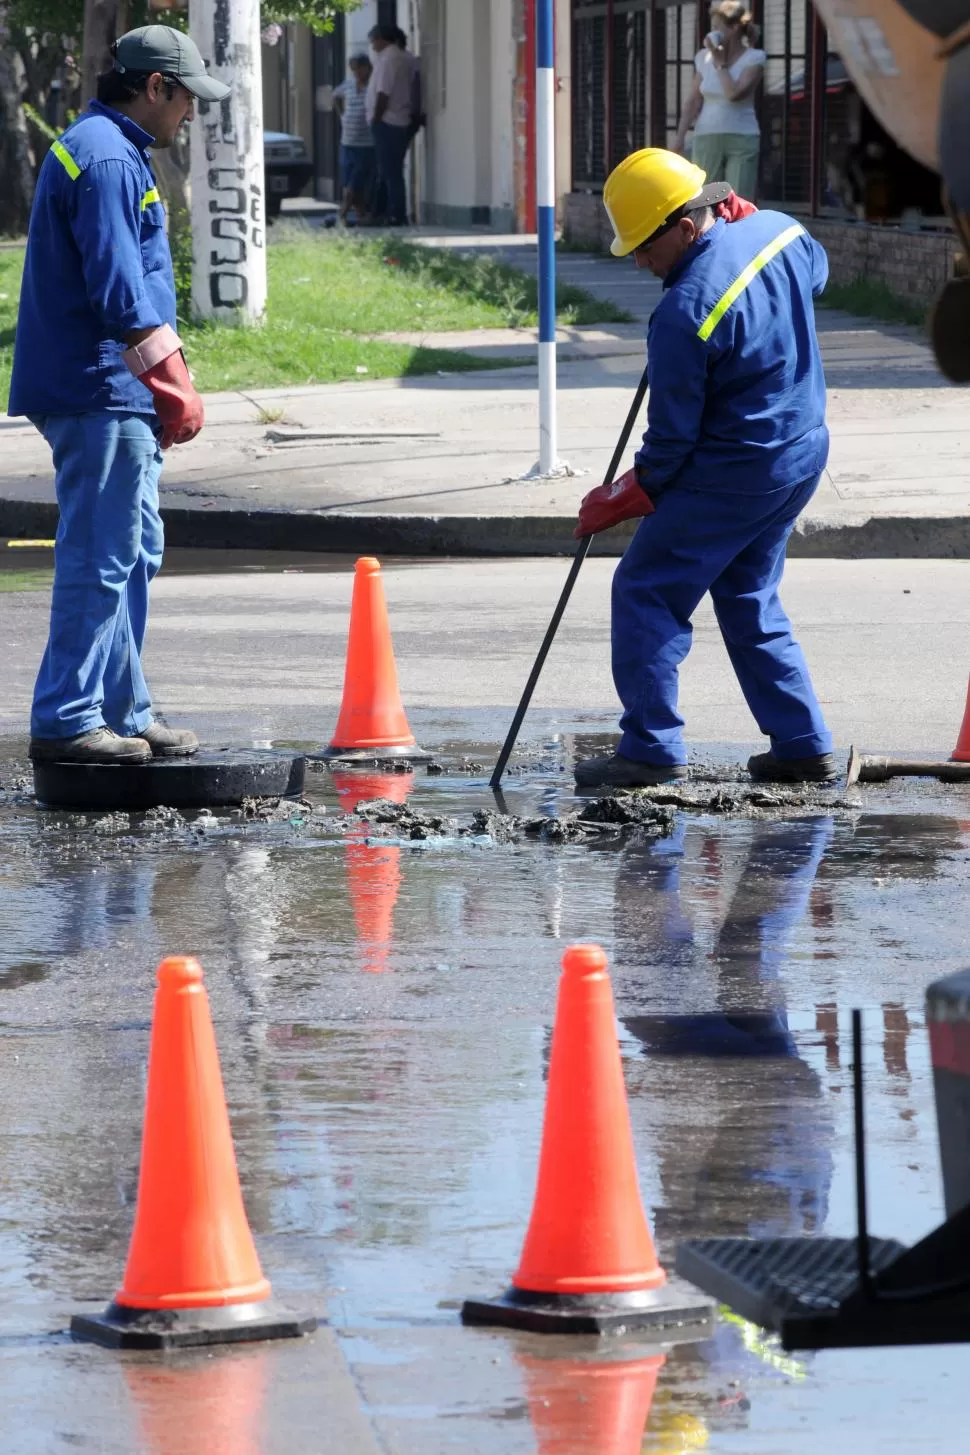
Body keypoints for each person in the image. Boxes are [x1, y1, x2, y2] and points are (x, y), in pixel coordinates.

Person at [573, 148, 834, 788]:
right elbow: (818, 274)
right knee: (748, 595)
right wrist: (745, 231)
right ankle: (802, 745)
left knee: (646, 592)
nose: (637, 260)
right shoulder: (781, 231)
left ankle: (650, 751)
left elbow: (671, 442)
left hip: (733, 471)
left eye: (642, 245)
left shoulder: (684, 311)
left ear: (688, 226)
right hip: (799, 452)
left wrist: (628, 493)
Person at [8, 25, 229, 764]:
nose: (191, 115)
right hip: (99, 387)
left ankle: (122, 709)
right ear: (156, 87)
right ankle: (69, 718)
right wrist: (175, 386)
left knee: (133, 551)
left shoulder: (107, 146)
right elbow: (119, 290)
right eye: (186, 99)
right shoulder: (105, 157)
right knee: (101, 555)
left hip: (109, 386)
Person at [673, 1, 765, 201]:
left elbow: (734, 94)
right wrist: (679, 138)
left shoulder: (755, 58)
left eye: (717, 27)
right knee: (707, 200)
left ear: (734, 27)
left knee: (739, 200)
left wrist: (720, 62)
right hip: (707, 136)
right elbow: (693, 100)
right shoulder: (703, 58)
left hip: (742, 136)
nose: (713, 32)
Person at [365, 22, 413, 226]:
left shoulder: (388, 59)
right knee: (388, 170)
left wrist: (376, 118)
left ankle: (396, 214)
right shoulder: (403, 56)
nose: (373, 45)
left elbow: (383, 92)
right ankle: (382, 213)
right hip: (400, 119)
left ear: (382, 39)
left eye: (374, 40)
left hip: (387, 121)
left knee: (389, 171)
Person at [333, 53, 376, 223]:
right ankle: (361, 214)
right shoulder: (348, 85)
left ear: (367, 68)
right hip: (347, 141)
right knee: (348, 181)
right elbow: (335, 96)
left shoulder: (373, 85)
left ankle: (341, 215)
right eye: (354, 69)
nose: (357, 72)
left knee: (355, 182)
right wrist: (342, 115)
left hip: (366, 144)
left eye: (359, 68)